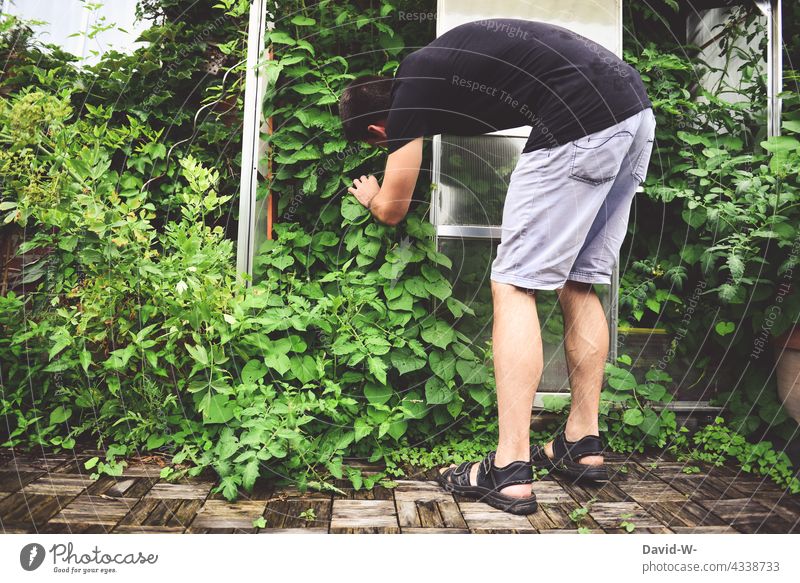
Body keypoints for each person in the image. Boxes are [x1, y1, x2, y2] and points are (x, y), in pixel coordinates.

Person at [338, 17, 656, 515]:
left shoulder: (408, 96)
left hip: (581, 115)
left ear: (379, 129)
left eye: (381, 143)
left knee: (513, 284)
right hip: (633, 108)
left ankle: (509, 469)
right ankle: (581, 442)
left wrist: (372, 196)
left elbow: (393, 207)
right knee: (579, 280)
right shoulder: (434, 66)